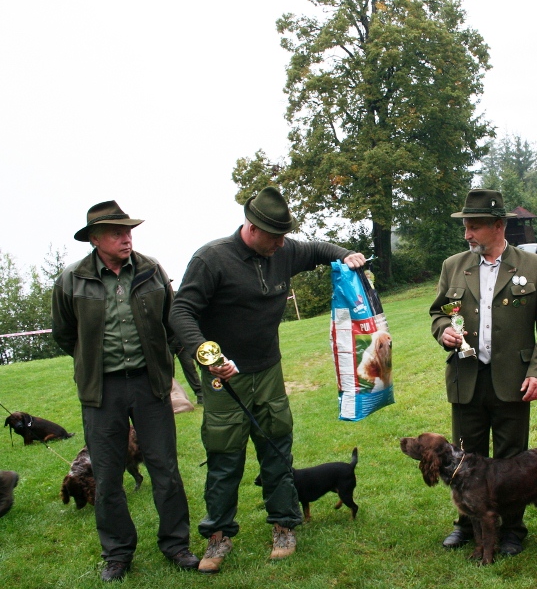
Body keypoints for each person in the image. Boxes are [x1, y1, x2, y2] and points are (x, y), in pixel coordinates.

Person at [169, 186, 366, 574]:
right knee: (224, 459)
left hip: (269, 372)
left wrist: (345, 253)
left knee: (277, 452)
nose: (281, 243)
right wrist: (207, 354)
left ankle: (284, 527)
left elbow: (318, 249)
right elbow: (181, 311)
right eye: (275, 236)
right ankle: (218, 536)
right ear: (252, 228)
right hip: (225, 378)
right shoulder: (212, 259)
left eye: (284, 236)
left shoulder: (284, 251)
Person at [51, 201, 198, 582]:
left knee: (165, 469)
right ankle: (117, 554)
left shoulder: (152, 270)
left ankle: (176, 545)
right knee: (107, 475)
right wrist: (91, 364)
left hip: (150, 385)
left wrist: (162, 363)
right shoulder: (71, 280)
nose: (126, 238)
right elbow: (65, 334)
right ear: (94, 239)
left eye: (128, 231)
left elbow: (171, 322)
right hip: (102, 391)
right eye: (116, 233)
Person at [428, 189, 537, 557]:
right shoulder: (454, 266)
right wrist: (444, 331)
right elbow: (438, 313)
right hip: (466, 378)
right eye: (465, 226)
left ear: (499, 225)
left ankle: (512, 529)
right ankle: (467, 524)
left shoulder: (533, 266)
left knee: (512, 459)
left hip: (513, 379)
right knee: (463, 457)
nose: (467, 234)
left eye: (474, 226)